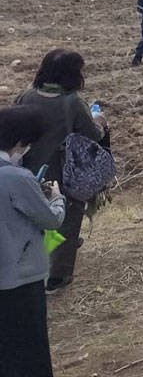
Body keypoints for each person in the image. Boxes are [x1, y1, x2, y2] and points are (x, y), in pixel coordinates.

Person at [14, 49, 107, 292]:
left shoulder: (26, 95)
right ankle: (58, 276)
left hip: (27, 169)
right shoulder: (73, 102)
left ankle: (32, 260)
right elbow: (92, 135)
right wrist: (99, 120)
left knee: (33, 216)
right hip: (64, 172)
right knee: (68, 218)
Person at [0, 105, 66, 377]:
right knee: (29, 349)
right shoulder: (16, 177)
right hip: (19, 277)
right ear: (19, 142)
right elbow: (51, 220)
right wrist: (56, 197)